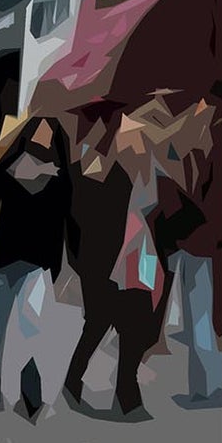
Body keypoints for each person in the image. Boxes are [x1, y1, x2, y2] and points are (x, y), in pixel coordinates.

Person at [0, 101, 70, 417]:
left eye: (50, 135)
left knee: (33, 329)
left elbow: (61, 226)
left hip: (34, 264)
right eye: (39, 132)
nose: (43, 141)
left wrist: (59, 269)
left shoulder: (61, 180)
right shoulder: (2, 172)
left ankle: (30, 398)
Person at [61, 106, 169, 416]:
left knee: (132, 328)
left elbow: (153, 209)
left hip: (137, 258)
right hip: (103, 262)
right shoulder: (96, 165)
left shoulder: (144, 165)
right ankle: (74, 380)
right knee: (98, 325)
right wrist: (79, 262)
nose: (137, 138)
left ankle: (126, 395)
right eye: (131, 132)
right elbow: (79, 212)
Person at [154, 97, 222, 403]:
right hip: (203, 244)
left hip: (200, 245)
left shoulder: (204, 150)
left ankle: (207, 389)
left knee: (201, 318)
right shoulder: (201, 148)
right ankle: (210, 386)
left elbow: (196, 203)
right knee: (203, 318)